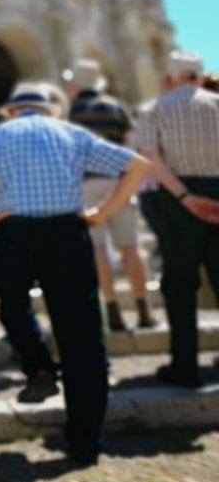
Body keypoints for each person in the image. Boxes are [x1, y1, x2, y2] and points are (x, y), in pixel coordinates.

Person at [0, 82, 152, 466]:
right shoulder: (72, 133)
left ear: (11, 111)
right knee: (83, 338)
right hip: (67, 233)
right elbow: (138, 166)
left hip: (15, 232)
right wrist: (101, 214)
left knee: (13, 308)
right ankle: (85, 441)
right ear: (50, 110)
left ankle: (38, 365)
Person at [132, 51, 219, 388]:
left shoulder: (153, 109)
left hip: (178, 195)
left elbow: (151, 157)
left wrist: (185, 196)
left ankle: (185, 366)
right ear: (198, 75)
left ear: (170, 79)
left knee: (180, 283)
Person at [63, 58, 157, 331]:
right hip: (119, 183)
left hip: (85, 185)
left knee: (98, 248)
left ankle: (113, 310)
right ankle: (144, 310)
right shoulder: (116, 107)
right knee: (130, 247)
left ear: (75, 86)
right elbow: (132, 145)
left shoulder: (70, 115)